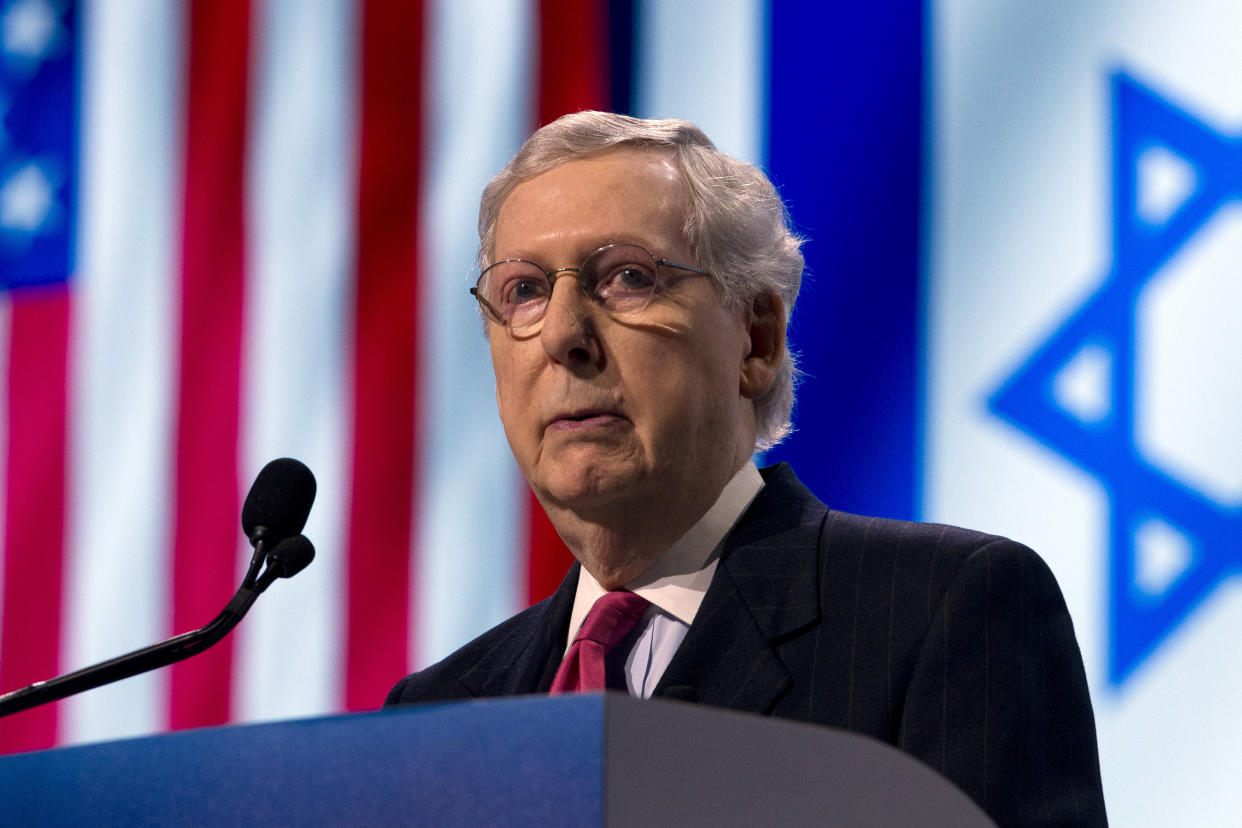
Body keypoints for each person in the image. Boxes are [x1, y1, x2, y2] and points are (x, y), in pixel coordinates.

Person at [386, 112, 1107, 826]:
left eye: (627, 277)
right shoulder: (438, 712)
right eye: (524, 291)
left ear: (756, 341)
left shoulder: (944, 615)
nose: (564, 335)